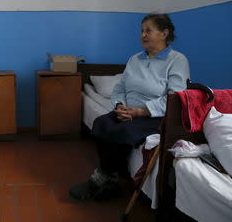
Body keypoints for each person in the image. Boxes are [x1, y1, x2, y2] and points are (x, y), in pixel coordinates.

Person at [69, 13, 190, 201]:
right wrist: (119, 105)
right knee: (102, 122)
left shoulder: (177, 60)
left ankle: (102, 179)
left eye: (148, 30)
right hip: (128, 111)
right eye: (142, 31)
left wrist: (142, 111)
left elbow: (175, 98)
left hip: (155, 116)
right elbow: (120, 87)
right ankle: (110, 181)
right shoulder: (135, 59)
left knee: (123, 130)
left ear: (164, 33)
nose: (143, 35)